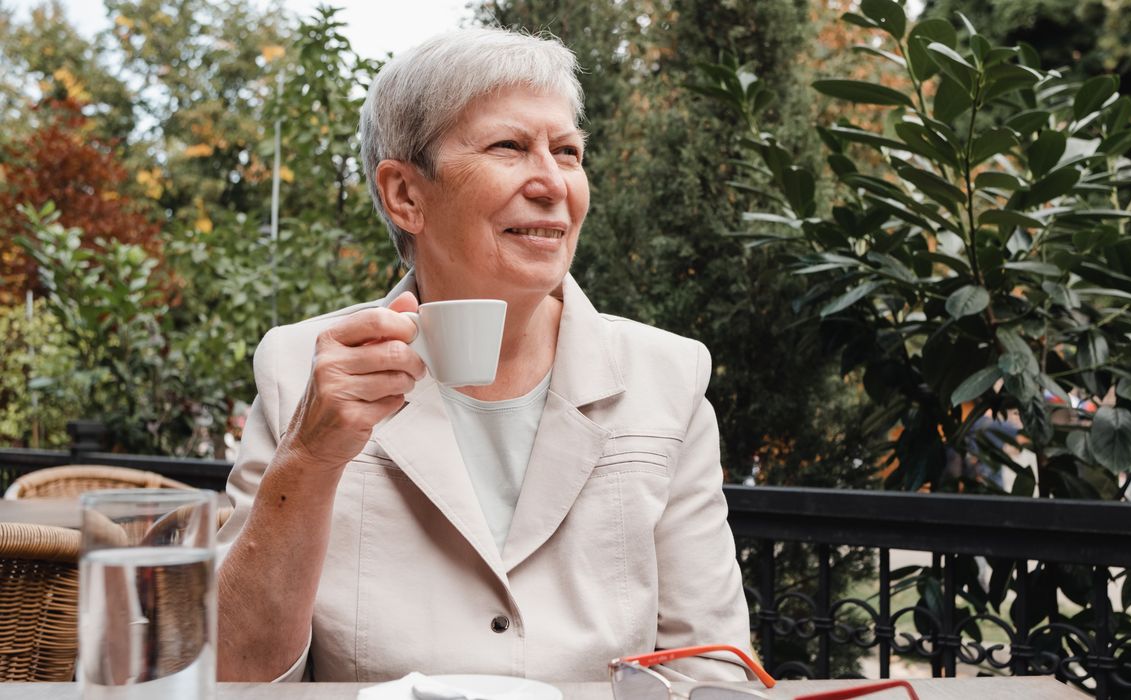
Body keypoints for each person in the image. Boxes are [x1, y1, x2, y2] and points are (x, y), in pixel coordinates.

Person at [215, 27, 753, 684]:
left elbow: (712, 671)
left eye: (568, 152)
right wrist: (308, 458)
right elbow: (235, 676)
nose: (554, 184)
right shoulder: (298, 370)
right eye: (510, 147)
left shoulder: (666, 378)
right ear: (405, 195)